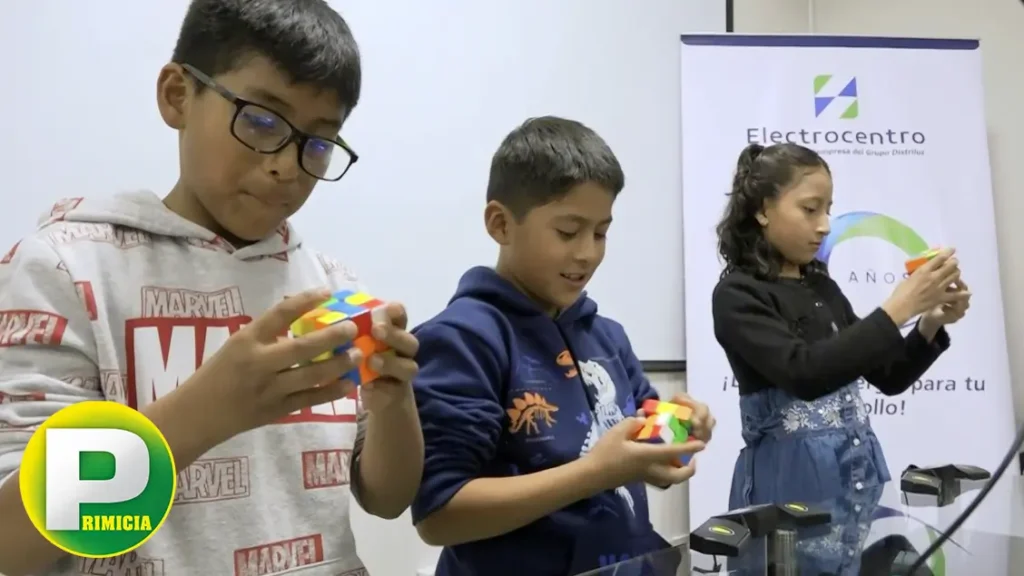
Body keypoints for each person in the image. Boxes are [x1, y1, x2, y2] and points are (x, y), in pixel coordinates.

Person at [0, 1, 424, 574]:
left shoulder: (333, 288)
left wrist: (393, 403)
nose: (288, 168)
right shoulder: (64, 270)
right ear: (178, 95)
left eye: (318, 143)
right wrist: (206, 413)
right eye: (262, 121)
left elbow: (386, 497)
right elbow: (12, 546)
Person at [409, 116, 716, 576]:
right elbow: (440, 514)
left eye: (601, 232)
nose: (588, 253)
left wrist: (679, 433)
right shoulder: (463, 339)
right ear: (500, 223)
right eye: (568, 232)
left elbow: (644, 453)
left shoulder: (606, 335)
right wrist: (596, 473)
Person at [711, 142, 971, 574]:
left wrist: (928, 322)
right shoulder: (738, 295)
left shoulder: (822, 288)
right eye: (810, 209)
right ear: (762, 210)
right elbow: (805, 373)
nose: (824, 225)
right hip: (789, 486)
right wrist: (898, 309)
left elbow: (889, 376)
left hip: (853, 477)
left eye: (829, 209)